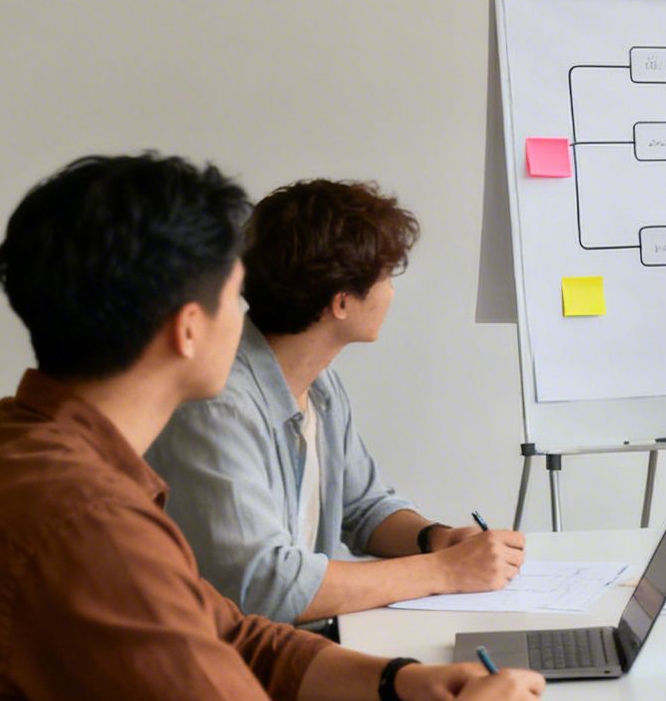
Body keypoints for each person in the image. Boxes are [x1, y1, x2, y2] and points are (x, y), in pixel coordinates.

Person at [0, 154, 544, 701]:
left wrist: (400, 680)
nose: (253, 318)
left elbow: (229, 634)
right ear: (188, 329)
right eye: (236, 295)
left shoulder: (22, 456)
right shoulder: (81, 522)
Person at [147, 179, 525, 623]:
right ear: (341, 303)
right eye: (386, 276)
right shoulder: (217, 405)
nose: (392, 291)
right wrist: (443, 571)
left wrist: (436, 539)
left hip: (294, 647)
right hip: (232, 666)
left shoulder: (320, 384)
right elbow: (265, 585)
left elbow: (363, 505)